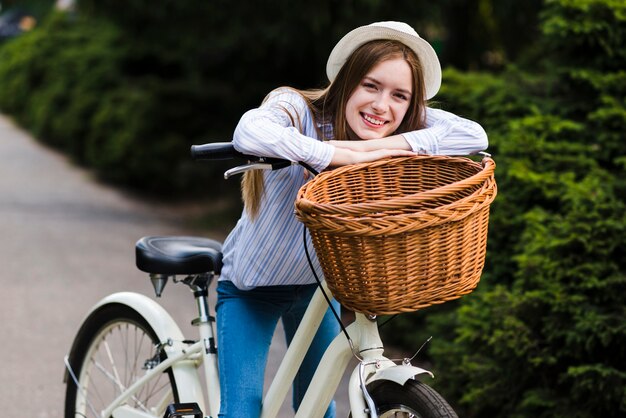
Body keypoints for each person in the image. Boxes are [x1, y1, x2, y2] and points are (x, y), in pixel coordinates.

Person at [216, 21, 488, 418]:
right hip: (251, 286)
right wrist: (332, 154)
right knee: (241, 413)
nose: (382, 106)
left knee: (319, 409)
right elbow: (249, 130)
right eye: (370, 86)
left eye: (400, 96)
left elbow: (474, 136)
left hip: (318, 289)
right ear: (347, 82)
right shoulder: (296, 108)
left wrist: (391, 145)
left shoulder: (391, 128)